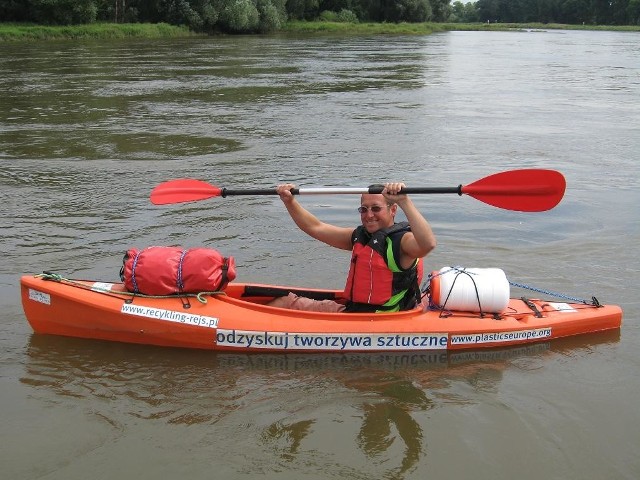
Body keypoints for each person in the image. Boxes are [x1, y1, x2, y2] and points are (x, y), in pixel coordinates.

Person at [268, 182, 437, 313]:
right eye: (364, 209)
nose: (369, 215)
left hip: (377, 319)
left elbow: (428, 244)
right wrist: (289, 201)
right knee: (280, 300)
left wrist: (404, 201)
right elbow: (315, 227)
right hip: (356, 311)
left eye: (376, 208)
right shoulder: (360, 237)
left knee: (284, 303)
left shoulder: (402, 242)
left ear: (393, 210)